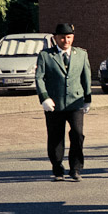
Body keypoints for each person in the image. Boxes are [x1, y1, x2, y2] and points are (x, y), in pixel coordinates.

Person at [35, 22, 92, 182]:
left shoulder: (81, 54)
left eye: (69, 37)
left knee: (78, 134)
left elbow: (86, 77)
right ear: (55, 38)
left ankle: (75, 168)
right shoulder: (46, 55)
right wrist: (44, 98)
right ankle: (57, 167)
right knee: (55, 137)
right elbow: (39, 78)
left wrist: (87, 99)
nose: (66, 41)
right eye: (62, 38)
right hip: (54, 103)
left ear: (72, 38)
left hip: (75, 102)